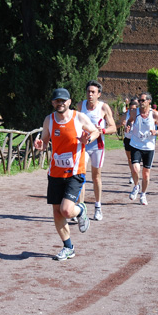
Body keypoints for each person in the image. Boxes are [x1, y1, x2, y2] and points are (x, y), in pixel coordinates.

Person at [34, 88, 100, 261]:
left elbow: (95, 131)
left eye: (63, 100)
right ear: (53, 103)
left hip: (75, 171)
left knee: (66, 210)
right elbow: (45, 140)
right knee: (57, 213)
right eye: (57, 101)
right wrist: (40, 145)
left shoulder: (79, 117)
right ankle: (68, 247)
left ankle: (80, 210)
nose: (60, 103)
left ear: (69, 102)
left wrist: (89, 138)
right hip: (55, 172)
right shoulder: (49, 120)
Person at [77, 80, 117, 221]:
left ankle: (98, 206)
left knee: (96, 177)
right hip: (83, 145)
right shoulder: (80, 106)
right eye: (88, 91)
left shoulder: (104, 107)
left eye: (93, 92)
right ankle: (80, 208)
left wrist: (104, 130)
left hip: (97, 146)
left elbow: (114, 127)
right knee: (80, 176)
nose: (90, 94)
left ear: (98, 94)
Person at [126, 92, 158, 205]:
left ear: (149, 101)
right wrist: (128, 125)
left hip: (149, 147)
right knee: (135, 168)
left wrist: (156, 131)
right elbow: (130, 120)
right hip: (136, 145)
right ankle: (136, 186)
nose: (140, 102)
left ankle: (143, 194)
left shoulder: (155, 114)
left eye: (143, 100)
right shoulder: (134, 112)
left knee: (146, 173)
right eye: (139, 100)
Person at [118, 99, 139, 185]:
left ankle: (135, 173)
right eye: (130, 108)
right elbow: (117, 124)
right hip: (127, 139)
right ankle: (132, 173)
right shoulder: (125, 115)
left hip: (136, 139)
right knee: (130, 159)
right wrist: (121, 124)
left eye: (133, 109)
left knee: (135, 160)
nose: (131, 110)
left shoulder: (139, 116)